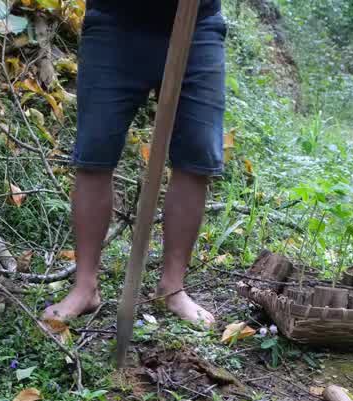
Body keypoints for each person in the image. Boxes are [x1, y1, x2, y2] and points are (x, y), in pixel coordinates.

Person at [43, 0, 226, 327]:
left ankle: (173, 287)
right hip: (116, 23)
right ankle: (85, 287)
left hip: (197, 26)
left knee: (197, 151)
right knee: (95, 149)